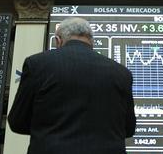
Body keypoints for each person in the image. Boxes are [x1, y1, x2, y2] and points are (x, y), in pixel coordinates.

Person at [8, 17, 137, 154]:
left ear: (58, 40)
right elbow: (128, 129)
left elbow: (17, 122)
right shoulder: (122, 73)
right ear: (92, 42)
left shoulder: (37, 64)